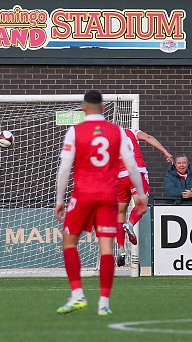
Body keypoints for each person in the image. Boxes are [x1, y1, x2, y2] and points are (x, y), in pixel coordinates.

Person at [54, 90, 147, 316]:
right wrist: (141, 195)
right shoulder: (117, 131)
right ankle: (104, 303)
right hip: (108, 196)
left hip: (83, 195)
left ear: (83, 108)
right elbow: (132, 165)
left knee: (69, 242)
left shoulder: (74, 131)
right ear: (103, 108)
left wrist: (59, 199)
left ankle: (77, 295)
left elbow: (65, 169)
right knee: (106, 248)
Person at [115, 128, 173, 266]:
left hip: (120, 176)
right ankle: (130, 224)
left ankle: (121, 248)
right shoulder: (131, 132)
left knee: (120, 212)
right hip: (137, 171)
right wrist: (165, 152)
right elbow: (148, 137)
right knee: (141, 206)